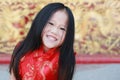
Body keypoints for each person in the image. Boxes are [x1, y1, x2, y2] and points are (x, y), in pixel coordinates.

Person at [9, 2, 75, 80]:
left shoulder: (64, 58)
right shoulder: (22, 48)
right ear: (40, 22)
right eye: (51, 23)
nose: (54, 31)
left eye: (62, 28)